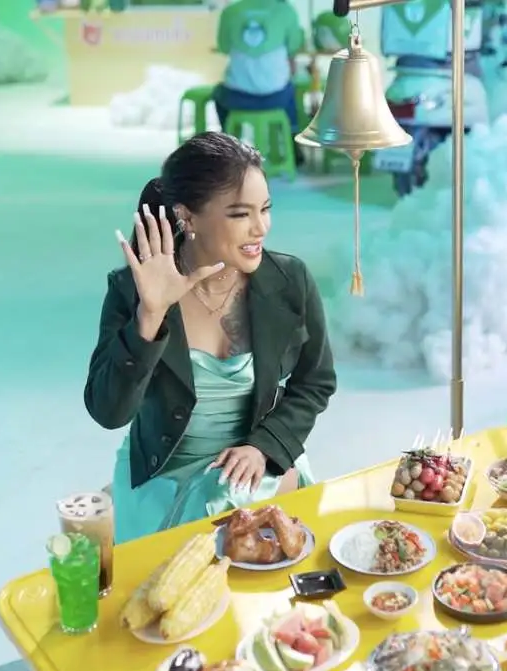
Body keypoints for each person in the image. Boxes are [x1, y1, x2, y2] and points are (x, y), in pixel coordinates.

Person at [85, 132, 337, 544]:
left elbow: (316, 382)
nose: (261, 228)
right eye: (240, 214)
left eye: (265, 209)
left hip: (254, 463)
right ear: (188, 217)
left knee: (221, 502)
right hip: (161, 469)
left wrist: (265, 446)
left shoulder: (291, 280)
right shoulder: (133, 289)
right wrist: (150, 315)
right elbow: (108, 412)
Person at [213, 0, 305, 160]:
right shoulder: (286, 11)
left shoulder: (230, 12)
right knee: (290, 90)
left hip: (237, 98)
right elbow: (294, 46)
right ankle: (292, 138)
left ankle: (228, 142)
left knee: (218, 93)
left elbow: (224, 47)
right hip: (277, 98)